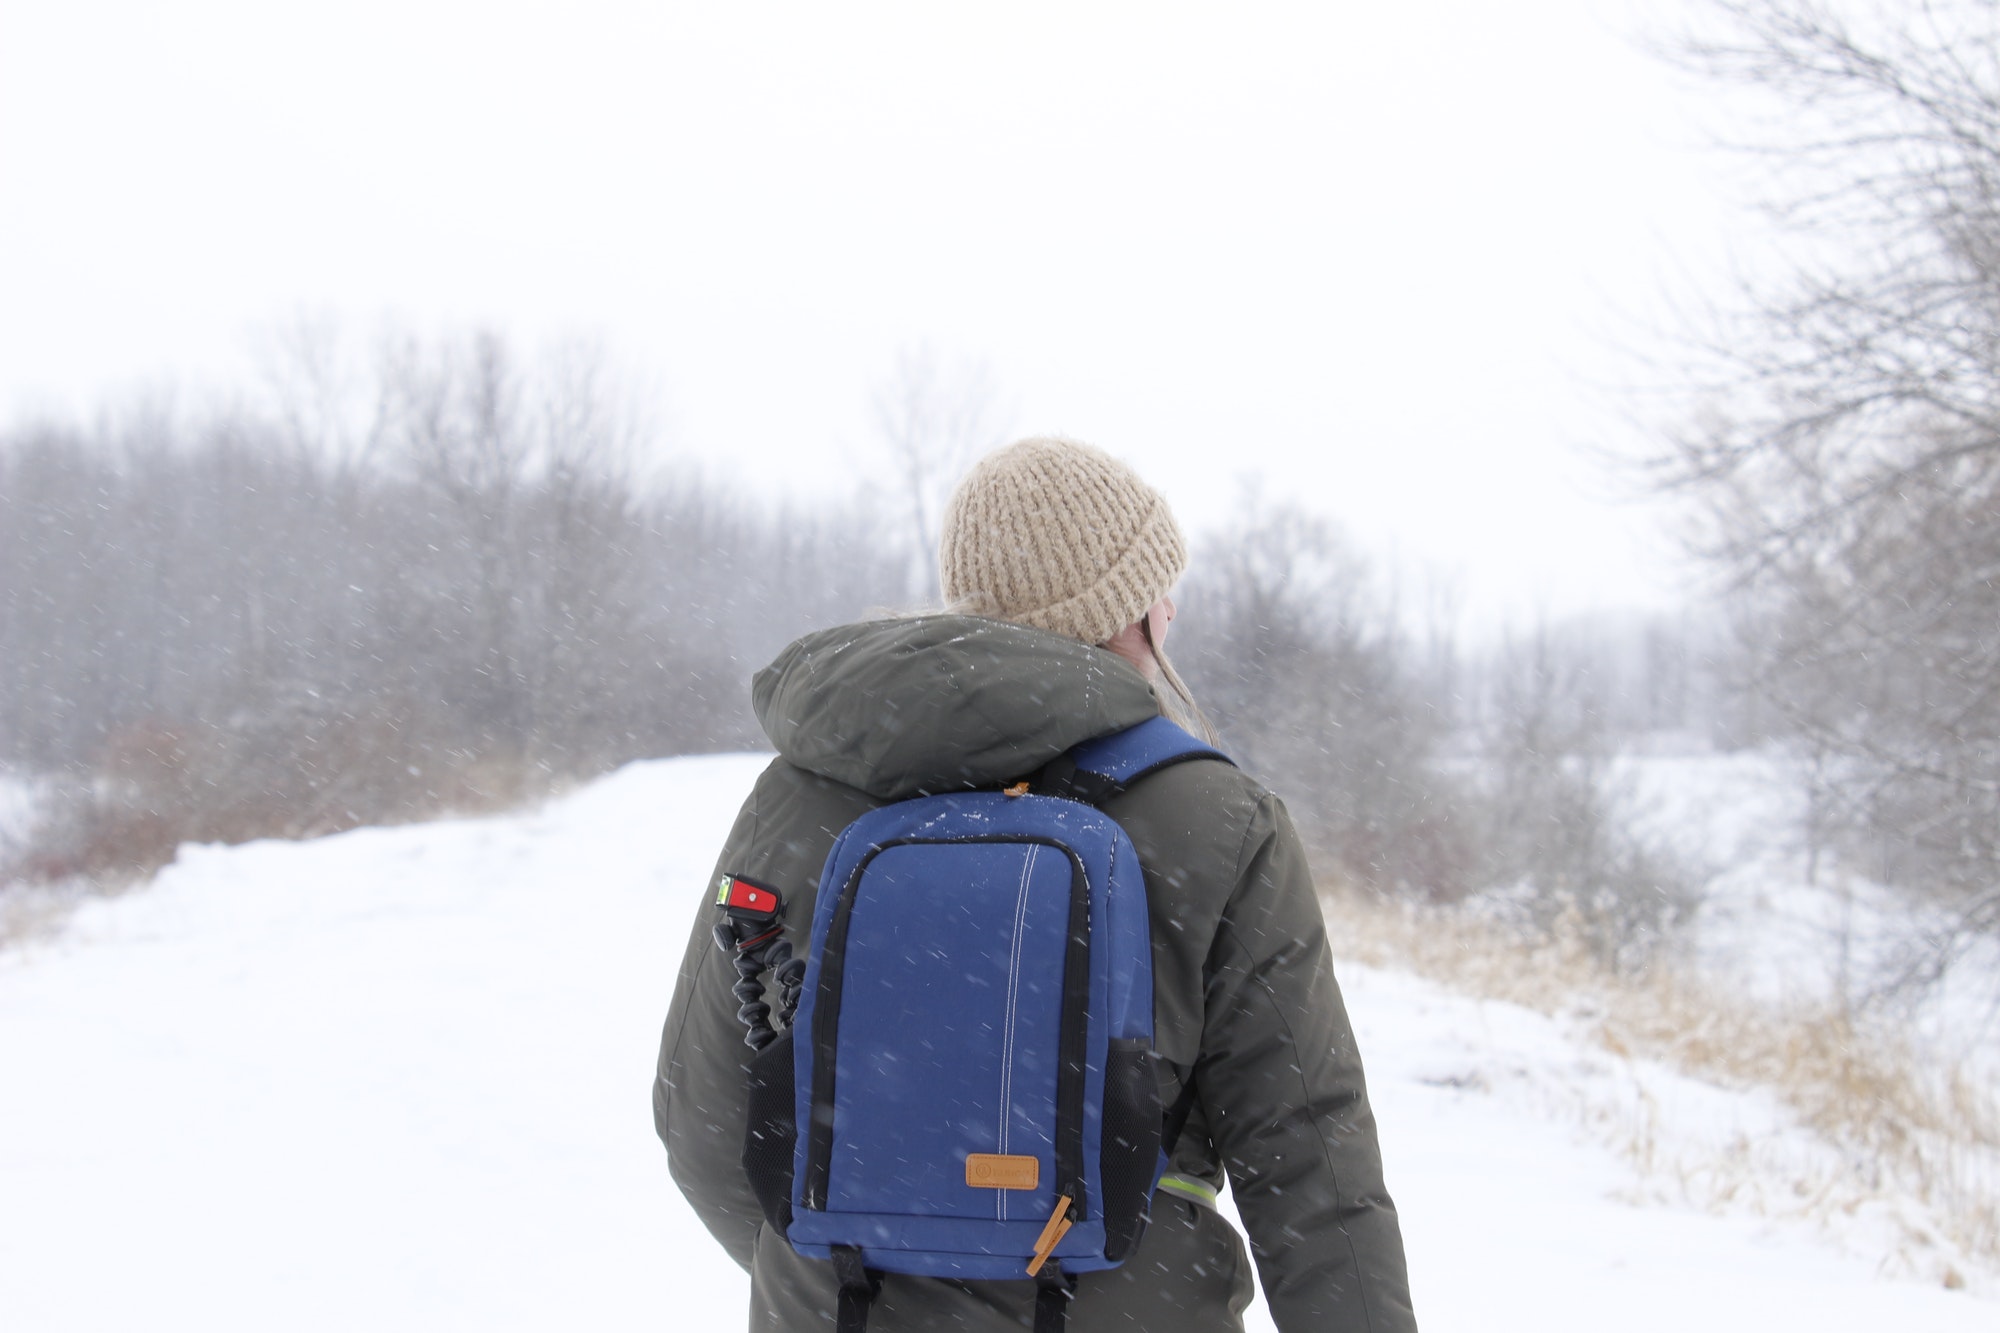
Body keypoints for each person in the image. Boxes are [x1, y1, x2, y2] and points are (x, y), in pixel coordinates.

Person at [655, 436, 1416, 1332]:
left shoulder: (802, 790)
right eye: (1159, 585)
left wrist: (857, 1257)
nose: (1171, 608)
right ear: (1126, 609)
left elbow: (703, 1124)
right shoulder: (1213, 815)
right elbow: (1310, 1160)